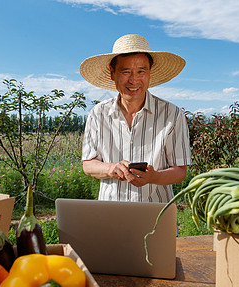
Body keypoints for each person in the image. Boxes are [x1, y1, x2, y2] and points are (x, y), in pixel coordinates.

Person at [80, 34, 192, 203]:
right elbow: (88, 165)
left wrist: (153, 177)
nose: (134, 80)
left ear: (149, 73)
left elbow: (180, 171)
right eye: (126, 72)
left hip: (157, 213)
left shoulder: (172, 114)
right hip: (110, 214)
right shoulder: (98, 114)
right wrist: (111, 168)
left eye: (141, 71)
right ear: (112, 73)